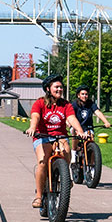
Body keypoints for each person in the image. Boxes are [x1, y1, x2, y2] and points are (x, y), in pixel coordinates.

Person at [25, 76, 90, 208]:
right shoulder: (39, 103)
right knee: (42, 162)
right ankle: (38, 196)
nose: (59, 89)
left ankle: (65, 177)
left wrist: (80, 131)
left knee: (66, 150)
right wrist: (32, 128)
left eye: (61, 87)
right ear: (48, 89)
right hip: (42, 136)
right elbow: (35, 116)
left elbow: (71, 118)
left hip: (60, 136)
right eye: (56, 87)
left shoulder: (66, 105)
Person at [71, 86, 112, 170]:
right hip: (77, 127)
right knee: (75, 135)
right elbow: (70, 115)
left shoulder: (91, 104)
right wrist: (70, 124)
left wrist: (106, 122)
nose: (84, 96)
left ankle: (92, 164)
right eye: (82, 94)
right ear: (78, 95)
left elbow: (98, 112)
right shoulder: (74, 104)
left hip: (88, 127)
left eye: (86, 94)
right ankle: (74, 153)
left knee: (91, 141)